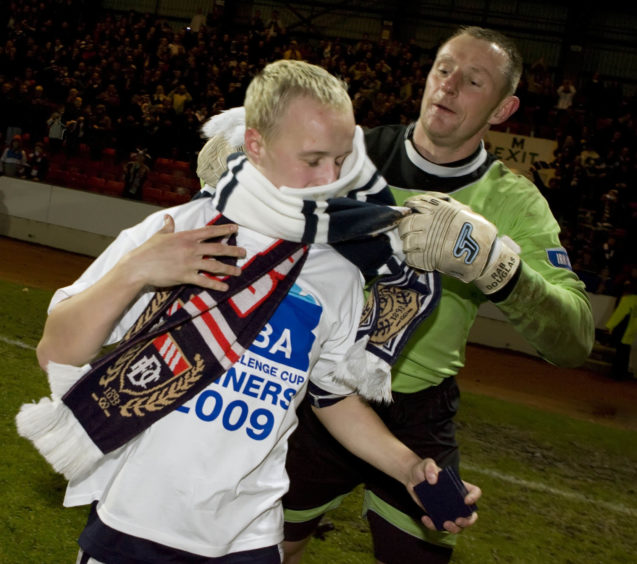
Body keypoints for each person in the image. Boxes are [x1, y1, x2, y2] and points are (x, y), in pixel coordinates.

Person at [17, 60, 480, 563]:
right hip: (133, 523)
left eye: (341, 160)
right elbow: (55, 350)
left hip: (251, 537)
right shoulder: (178, 229)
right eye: (313, 159)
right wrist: (135, 270)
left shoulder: (337, 273)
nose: (329, 179)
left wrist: (410, 468)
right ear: (256, 144)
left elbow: (333, 398)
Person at [282, 26, 594, 564]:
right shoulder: (347, 159)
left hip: (419, 413)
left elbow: (574, 340)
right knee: (269, 550)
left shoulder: (514, 203)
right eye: (443, 69)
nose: (449, 86)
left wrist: (503, 273)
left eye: (474, 80)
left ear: (503, 109)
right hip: (314, 396)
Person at [604, 274, 637, 381]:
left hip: (624, 328)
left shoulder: (628, 299)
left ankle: (617, 372)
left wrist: (609, 326)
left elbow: (619, 314)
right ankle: (623, 372)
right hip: (632, 329)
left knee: (621, 351)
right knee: (626, 351)